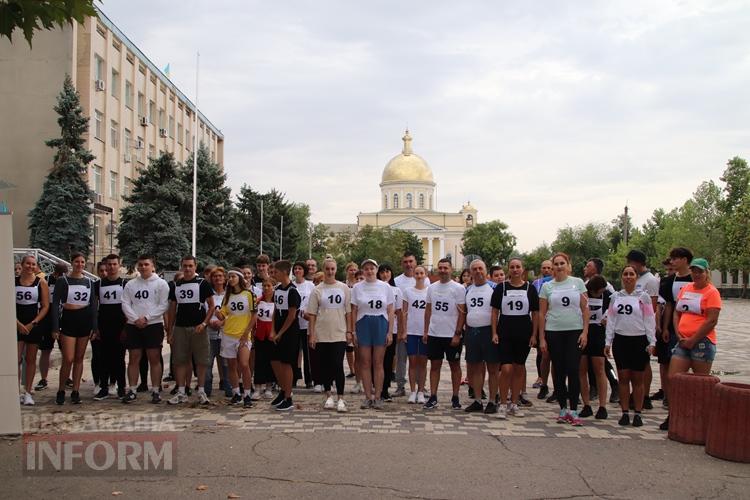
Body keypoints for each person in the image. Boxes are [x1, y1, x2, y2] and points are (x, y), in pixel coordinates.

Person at [660, 257, 721, 431]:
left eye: (700, 271)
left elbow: (711, 320)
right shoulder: (686, 288)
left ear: (706, 273)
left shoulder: (711, 292)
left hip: (702, 342)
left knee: (700, 383)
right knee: (674, 379)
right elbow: (677, 313)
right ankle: (673, 414)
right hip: (682, 340)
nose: (696, 274)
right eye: (694, 271)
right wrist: (679, 334)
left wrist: (694, 339)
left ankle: (701, 420)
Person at [538, 252, 588, 426]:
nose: (559, 267)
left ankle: (574, 409)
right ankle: (562, 408)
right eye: (556, 264)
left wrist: (585, 332)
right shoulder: (547, 287)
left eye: (562, 263)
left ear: (568, 265)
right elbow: (542, 313)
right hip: (554, 330)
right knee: (558, 370)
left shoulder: (578, 283)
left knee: (573, 369)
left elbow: (585, 309)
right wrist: (542, 338)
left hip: (574, 330)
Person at [605, 265, 657, 427]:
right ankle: (625, 412)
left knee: (638, 378)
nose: (628, 277)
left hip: (639, 340)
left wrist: (652, 341)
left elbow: (649, 320)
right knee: (623, 377)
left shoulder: (644, 297)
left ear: (636, 277)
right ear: (622, 277)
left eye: (631, 274)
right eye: (625, 274)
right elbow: (611, 320)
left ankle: (638, 413)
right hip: (621, 341)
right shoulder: (615, 297)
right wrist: (608, 342)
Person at [492, 257, 539, 418]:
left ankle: (514, 402)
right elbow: (494, 312)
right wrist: (494, 332)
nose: (515, 269)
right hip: (505, 332)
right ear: (508, 269)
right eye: (512, 267)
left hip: (523, 332)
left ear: (522, 269)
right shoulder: (501, 287)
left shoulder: (530, 288)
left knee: (519, 368)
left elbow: (536, 313)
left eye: (518, 267)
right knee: (506, 368)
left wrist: (534, 334)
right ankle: (503, 403)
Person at [121, 255, 170, 404]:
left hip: (153, 325)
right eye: (140, 264)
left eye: (146, 264)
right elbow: (125, 303)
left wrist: (147, 318)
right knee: (134, 357)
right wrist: (135, 319)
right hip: (133, 325)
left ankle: (155, 390)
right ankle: (133, 390)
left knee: (154, 358)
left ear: (152, 266)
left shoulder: (161, 284)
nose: (143, 267)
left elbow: (164, 305)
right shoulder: (131, 284)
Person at [166, 256, 215, 406]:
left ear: (195, 267)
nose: (187, 269)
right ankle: (181, 391)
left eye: (190, 266)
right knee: (180, 360)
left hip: (198, 327)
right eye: (185, 266)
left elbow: (212, 306)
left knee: (201, 360)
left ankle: (201, 390)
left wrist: (204, 323)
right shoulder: (176, 285)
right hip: (180, 327)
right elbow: (172, 308)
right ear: (181, 266)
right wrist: (170, 330)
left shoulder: (203, 283)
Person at [307, 258, 352, 412]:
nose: (330, 272)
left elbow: (348, 312)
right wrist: (312, 335)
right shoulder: (317, 290)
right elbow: (312, 314)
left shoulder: (344, 288)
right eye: (327, 269)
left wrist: (349, 331)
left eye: (333, 269)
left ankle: (340, 397)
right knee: (324, 366)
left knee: (337, 365)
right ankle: (328, 396)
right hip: (321, 333)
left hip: (339, 333)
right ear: (323, 269)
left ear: (336, 269)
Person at [52, 253, 97, 405]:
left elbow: (93, 306)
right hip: (68, 321)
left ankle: (76, 391)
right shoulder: (62, 281)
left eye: (82, 262)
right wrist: (55, 326)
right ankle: (61, 389)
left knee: (79, 358)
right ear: (72, 263)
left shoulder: (89, 282)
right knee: (68, 358)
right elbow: (55, 304)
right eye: (77, 262)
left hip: (84, 322)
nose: (80, 264)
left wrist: (94, 327)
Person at [423, 258, 466, 410]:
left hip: (451, 334)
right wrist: (426, 331)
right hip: (435, 333)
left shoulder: (459, 288)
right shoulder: (432, 288)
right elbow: (428, 310)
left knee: (455, 365)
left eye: (445, 268)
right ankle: (433, 396)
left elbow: (462, 313)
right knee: (434, 365)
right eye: (440, 268)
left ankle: (455, 397)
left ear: (451, 269)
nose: (442, 271)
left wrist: (457, 333)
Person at [351, 259, 394, 409]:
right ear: (363, 271)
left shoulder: (385, 287)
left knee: (378, 362)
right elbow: (354, 310)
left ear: (376, 270)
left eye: (372, 268)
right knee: (365, 362)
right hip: (363, 323)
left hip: (380, 322)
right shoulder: (357, 287)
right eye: (366, 269)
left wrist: (390, 331)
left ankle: (378, 396)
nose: (369, 271)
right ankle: (368, 396)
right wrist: (353, 331)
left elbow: (390, 310)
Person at [654, 247, 693, 407]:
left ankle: (685, 397)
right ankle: (668, 395)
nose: (673, 261)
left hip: (690, 327)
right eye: (672, 258)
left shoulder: (693, 279)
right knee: (667, 360)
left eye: (676, 258)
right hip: (671, 327)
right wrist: (664, 328)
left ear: (684, 260)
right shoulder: (668, 281)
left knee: (688, 361)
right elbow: (668, 305)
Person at [217, 269, 258, 408]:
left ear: (239, 278)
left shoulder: (249, 294)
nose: (230, 279)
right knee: (231, 366)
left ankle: (247, 394)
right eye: (229, 277)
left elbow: (254, 315)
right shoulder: (227, 296)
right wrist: (217, 313)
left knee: (244, 364)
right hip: (228, 334)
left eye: (233, 276)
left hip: (243, 335)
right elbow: (223, 314)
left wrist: (247, 333)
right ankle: (236, 393)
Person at [464, 259, 500, 414]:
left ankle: (492, 400)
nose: (478, 271)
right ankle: (478, 400)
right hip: (472, 331)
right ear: (470, 272)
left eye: (480, 268)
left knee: (492, 367)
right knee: (476, 367)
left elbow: (499, 311)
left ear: (486, 271)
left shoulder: (494, 288)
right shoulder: (468, 290)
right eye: (474, 269)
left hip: (489, 332)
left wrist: (496, 332)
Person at [626, 249, 659, 410]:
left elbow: (652, 306)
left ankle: (644, 395)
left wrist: (650, 330)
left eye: (631, 263)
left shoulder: (650, 280)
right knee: (632, 364)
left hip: (643, 327)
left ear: (638, 263)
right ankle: (635, 393)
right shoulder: (635, 277)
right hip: (629, 326)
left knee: (644, 364)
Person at [16, 254, 50, 405]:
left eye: (33, 264)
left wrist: (33, 323)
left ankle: (28, 392)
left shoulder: (40, 282)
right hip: (16, 324)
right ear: (22, 265)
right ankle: (15, 391)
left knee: (30, 359)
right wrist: (17, 323)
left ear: (36, 266)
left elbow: (45, 306)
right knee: (15, 359)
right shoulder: (13, 281)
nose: (30, 266)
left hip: (33, 325)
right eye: (27, 264)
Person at [92, 254, 127, 400]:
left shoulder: (125, 283)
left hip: (120, 326)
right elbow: (94, 307)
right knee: (103, 358)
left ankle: (121, 388)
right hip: (103, 325)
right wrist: (95, 327)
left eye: (114, 264)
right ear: (105, 266)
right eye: (109, 264)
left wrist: (127, 327)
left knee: (119, 358)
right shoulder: (98, 284)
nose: (111, 267)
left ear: (119, 265)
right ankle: (104, 388)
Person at [269, 260, 301, 411]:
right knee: (276, 362)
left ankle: (289, 397)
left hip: (289, 332)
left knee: (286, 364)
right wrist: (273, 330)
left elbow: (291, 316)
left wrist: (281, 333)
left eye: (275, 272)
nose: (273, 274)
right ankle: (283, 391)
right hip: (278, 332)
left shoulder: (292, 291)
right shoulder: (277, 290)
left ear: (283, 272)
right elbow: (276, 310)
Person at [578, 275, 611, 419]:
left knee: (599, 368)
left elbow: (612, 312)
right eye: (596, 292)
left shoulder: (608, 296)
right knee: (582, 369)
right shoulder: (583, 294)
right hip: (582, 333)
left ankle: (602, 405)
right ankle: (586, 404)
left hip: (598, 334)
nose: (599, 294)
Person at [36, 262, 68, 391]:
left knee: (66, 351)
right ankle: (43, 378)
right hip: (47, 318)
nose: (62, 278)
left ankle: (67, 377)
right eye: (60, 275)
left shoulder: (67, 281)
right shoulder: (45, 281)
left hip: (63, 318)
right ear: (55, 273)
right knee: (45, 350)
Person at [402, 265, 429, 404]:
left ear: (425, 275)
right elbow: (404, 312)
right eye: (417, 273)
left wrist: (427, 331)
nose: (419, 275)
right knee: (412, 362)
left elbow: (431, 312)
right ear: (414, 275)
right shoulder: (408, 291)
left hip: (424, 332)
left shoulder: (429, 291)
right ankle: (412, 391)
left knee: (423, 363)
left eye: (421, 273)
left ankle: (421, 391)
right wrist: (404, 330)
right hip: (412, 331)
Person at [393, 252, 417, 397]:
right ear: (402, 264)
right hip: (402, 325)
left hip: (418, 326)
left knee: (419, 360)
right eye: (406, 262)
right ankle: (400, 386)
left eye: (411, 261)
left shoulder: (424, 280)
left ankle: (421, 386)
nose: (408, 264)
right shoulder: (397, 281)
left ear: (415, 262)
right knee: (401, 358)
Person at [378, 263, 402, 402]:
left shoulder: (397, 290)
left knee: (388, 360)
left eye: (387, 271)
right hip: (377, 328)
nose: (385, 274)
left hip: (391, 330)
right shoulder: (375, 288)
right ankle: (377, 387)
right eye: (382, 272)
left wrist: (400, 330)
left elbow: (399, 312)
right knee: (377, 360)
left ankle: (385, 388)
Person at [206, 267, 230, 398]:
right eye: (215, 276)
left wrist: (222, 322)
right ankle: (207, 387)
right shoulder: (208, 295)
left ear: (224, 278)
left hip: (225, 332)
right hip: (209, 331)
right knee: (208, 361)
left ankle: (228, 386)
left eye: (220, 276)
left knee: (225, 362)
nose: (218, 278)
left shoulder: (229, 295)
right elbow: (204, 310)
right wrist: (209, 322)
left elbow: (232, 314)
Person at [532, 259, 554, 399]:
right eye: (544, 267)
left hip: (556, 323)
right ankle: (542, 380)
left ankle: (559, 386)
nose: (546, 270)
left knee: (556, 357)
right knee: (543, 354)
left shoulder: (557, 283)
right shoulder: (536, 283)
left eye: (548, 268)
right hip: (542, 322)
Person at [292, 261, 316, 389]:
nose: (297, 271)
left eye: (300, 268)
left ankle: (309, 379)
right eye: (295, 268)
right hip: (294, 324)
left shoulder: (310, 286)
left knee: (307, 353)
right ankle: (294, 378)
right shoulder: (291, 285)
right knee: (295, 352)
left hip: (306, 324)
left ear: (304, 271)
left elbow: (313, 303)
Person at [253, 278, 276, 398]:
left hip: (272, 336)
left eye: (268, 286)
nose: (266, 288)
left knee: (270, 361)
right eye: (264, 286)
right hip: (260, 334)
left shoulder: (277, 302)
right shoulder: (258, 301)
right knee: (259, 361)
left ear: (273, 287)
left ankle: (268, 386)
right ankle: (257, 387)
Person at [343, 262, 359, 384]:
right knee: (348, 347)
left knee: (357, 345)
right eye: (351, 270)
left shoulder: (360, 283)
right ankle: (352, 369)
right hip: (346, 315)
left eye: (355, 270)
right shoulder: (343, 285)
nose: (353, 272)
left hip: (358, 315)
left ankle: (358, 369)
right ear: (347, 271)